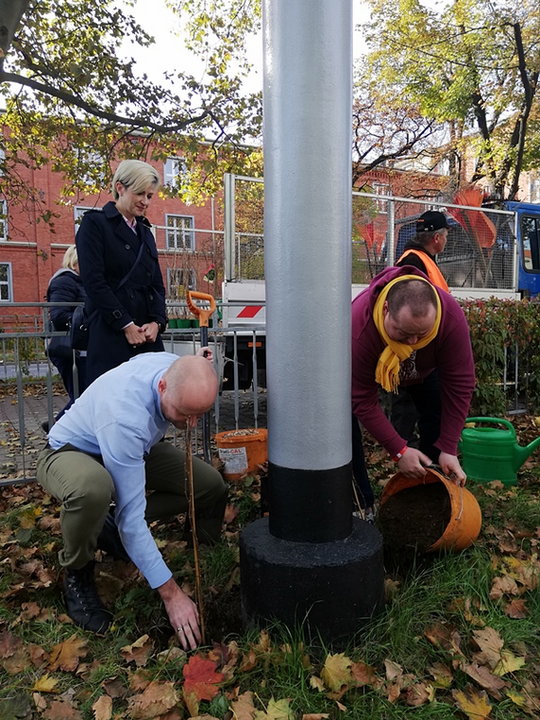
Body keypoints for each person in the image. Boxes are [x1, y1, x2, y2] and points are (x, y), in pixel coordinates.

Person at [36, 350, 227, 650]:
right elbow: (133, 519)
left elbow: (187, 369)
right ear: (163, 387)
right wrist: (171, 594)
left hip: (134, 449)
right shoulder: (125, 418)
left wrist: (200, 360)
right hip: (71, 452)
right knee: (93, 491)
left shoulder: (170, 366)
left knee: (208, 485)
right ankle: (78, 573)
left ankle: (199, 547)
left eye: (199, 415)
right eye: (184, 414)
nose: (191, 425)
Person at [351, 266, 475, 513]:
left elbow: (460, 383)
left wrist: (449, 447)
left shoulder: (450, 316)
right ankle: (361, 504)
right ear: (386, 310)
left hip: (424, 373)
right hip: (375, 370)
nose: (413, 343)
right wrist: (398, 450)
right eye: (404, 333)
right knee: (343, 425)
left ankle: (432, 492)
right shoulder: (360, 325)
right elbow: (362, 399)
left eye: (422, 334)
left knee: (437, 416)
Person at [76, 159, 168, 386]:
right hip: (111, 333)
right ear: (120, 188)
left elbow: (156, 285)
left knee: (152, 405)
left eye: (150, 196)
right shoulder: (94, 225)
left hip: (147, 336)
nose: (145, 202)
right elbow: (94, 282)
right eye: (140, 193)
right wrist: (125, 325)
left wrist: (157, 322)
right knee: (110, 403)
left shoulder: (145, 232)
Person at [390, 210, 452, 450]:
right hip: (413, 349)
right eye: (446, 235)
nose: (446, 240)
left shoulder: (421, 259)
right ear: (437, 238)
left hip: (421, 347)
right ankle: (408, 455)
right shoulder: (413, 262)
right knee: (410, 405)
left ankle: (417, 454)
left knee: (421, 405)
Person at [45, 245, 88, 425]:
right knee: (83, 396)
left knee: (83, 395)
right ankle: (57, 428)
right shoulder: (64, 281)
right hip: (68, 349)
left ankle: (57, 427)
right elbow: (59, 315)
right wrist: (89, 321)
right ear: (76, 262)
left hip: (76, 348)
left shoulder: (78, 281)